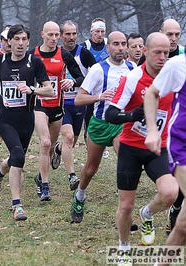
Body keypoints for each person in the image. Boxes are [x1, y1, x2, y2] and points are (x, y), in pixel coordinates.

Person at [105, 33, 178, 262]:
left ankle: (147, 214)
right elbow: (110, 113)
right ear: (145, 51)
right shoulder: (133, 78)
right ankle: (124, 246)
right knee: (125, 206)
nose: (163, 57)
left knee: (170, 193)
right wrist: (132, 115)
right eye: (157, 52)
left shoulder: (176, 79)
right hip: (132, 148)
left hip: (160, 147)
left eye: (167, 53)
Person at [0, 24, 53, 221]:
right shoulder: (0, 60)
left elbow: (50, 90)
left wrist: (32, 90)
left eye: (24, 39)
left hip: (27, 118)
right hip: (6, 118)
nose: (20, 43)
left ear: (28, 42)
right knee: (19, 157)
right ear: (9, 41)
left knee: (15, 158)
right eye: (17, 39)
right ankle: (17, 205)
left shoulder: (35, 62)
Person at [71, 31, 134, 223]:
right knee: (91, 169)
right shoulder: (98, 69)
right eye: (116, 44)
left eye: (123, 44)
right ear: (108, 48)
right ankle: (80, 196)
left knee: (126, 162)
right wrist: (100, 96)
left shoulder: (132, 68)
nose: (120, 48)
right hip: (99, 124)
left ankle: (125, 213)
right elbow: (78, 99)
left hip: (120, 124)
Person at [29, 21, 84, 201]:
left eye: (56, 35)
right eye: (50, 35)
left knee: (51, 146)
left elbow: (80, 76)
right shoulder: (33, 55)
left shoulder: (64, 55)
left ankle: (39, 176)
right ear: (42, 34)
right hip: (39, 104)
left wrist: (72, 82)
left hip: (57, 106)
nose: (53, 38)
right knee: (44, 143)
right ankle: (45, 187)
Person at [144, 53, 186, 266]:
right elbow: (152, 93)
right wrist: (152, 130)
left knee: (183, 226)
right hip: (182, 146)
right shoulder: (178, 65)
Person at [55, 20, 96, 192]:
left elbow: (96, 74)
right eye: (67, 34)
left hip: (79, 103)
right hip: (62, 103)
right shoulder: (56, 53)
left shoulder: (84, 53)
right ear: (61, 36)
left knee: (71, 142)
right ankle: (72, 176)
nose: (71, 37)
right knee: (68, 137)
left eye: (74, 34)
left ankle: (58, 150)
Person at [158, 18, 185, 236]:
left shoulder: (182, 56)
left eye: (177, 34)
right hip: (161, 120)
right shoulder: (155, 56)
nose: (174, 39)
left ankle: (176, 212)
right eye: (170, 34)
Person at [81, 18, 110, 157]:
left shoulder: (109, 45)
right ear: (91, 32)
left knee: (106, 115)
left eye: (102, 31)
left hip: (106, 87)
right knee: (90, 117)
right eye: (97, 31)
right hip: (91, 89)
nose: (100, 34)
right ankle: (89, 142)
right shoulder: (85, 46)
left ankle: (104, 143)